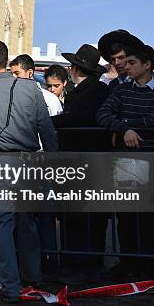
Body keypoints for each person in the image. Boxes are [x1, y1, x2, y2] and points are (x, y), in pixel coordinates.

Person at [0, 39, 57, 303]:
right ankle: (34, 274)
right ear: (7, 60)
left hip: (0, 163)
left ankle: (10, 287)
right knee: (27, 222)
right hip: (29, 161)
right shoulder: (32, 88)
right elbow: (46, 129)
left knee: (2, 226)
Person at [96, 43, 154, 280]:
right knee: (126, 216)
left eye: (131, 63)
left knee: (149, 217)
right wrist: (125, 128)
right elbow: (103, 115)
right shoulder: (120, 90)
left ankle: (147, 265)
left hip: (153, 159)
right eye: (124, 62)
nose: (125, 67)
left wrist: (126, 125)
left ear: (147, 65)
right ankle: (127, 262)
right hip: (126, 161)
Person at [52, 44, 110, 284]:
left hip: (84, 159)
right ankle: (82, 259)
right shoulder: (92, 89)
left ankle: (83, 261)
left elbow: (78, 119)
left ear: (75, 68)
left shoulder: (92, 91)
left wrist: (50, 122)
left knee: (82, 215)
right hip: (83, 159)